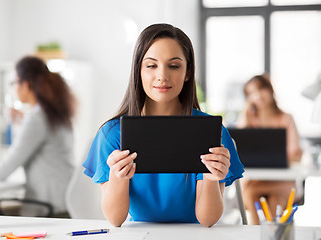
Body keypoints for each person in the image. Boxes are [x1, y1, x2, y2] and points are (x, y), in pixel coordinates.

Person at [82, 23, 244, 227]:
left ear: (187, 73)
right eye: (151, 65)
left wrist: (212, 179)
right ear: (138, 71)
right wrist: (117, 176)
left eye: (174, 66)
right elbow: (115, 219)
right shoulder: (113, 134)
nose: (162, 76)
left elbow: (208, 220)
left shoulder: (211, 132)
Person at [0, 56, 76, 216]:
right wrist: (22, 121)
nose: (14, 88)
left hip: (47, 209)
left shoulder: (36, 119)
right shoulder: (53, 113)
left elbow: (1, 171)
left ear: (26, 84)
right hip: (64, 203)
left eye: (14, 83)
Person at [237, 74, 303, 225]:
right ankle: (262, 234)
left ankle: (268, 234)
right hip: (256, 180)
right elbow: (239, 149)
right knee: (252, 194)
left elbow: (295, 153)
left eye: (261, 89)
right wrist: (246, 116)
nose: (258, 96)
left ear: (270, 90)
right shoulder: (250, 119)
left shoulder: (285, 118)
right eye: (251, 93)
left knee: (272, 198)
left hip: (283, 181)